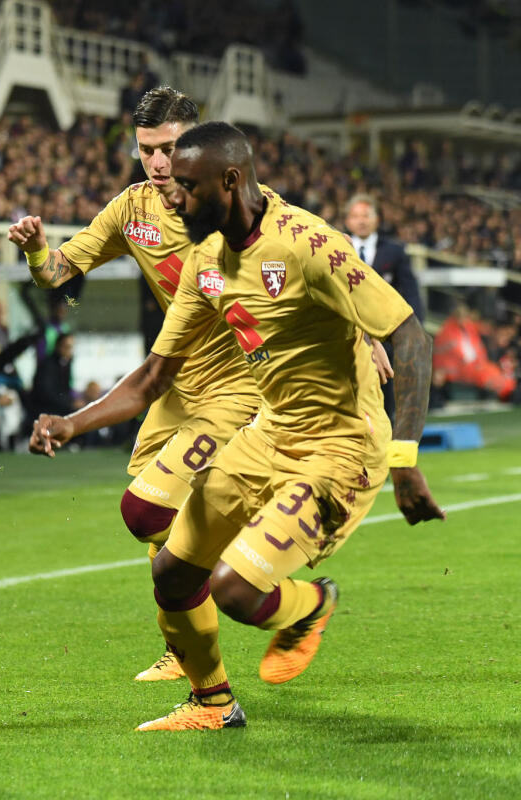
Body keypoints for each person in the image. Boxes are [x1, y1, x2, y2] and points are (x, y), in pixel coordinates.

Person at [29, 122, 444, 731]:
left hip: (339, 447)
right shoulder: (206, 262)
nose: (174, 198)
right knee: (172, 570)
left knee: (236, 590)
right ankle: (212, 703)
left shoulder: (306, 243)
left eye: (188, 188)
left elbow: (410, 338)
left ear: (230, 181)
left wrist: (406, 461)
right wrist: (73, 422)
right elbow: (153, 376)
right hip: (267, 434)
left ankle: (312, 604)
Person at [8, 87, 263, 682]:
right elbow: (58, 271)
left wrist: (362, 335)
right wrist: (37, 250)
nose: (157, 163)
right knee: (155, 517)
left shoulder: (236, 207)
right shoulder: (131, 210)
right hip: (174, 383)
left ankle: (251, 565)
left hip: (236, 387)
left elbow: (307, 267)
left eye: (170, 148)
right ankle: (187, 644)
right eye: (147, 150)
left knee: (147, 509)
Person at [344, 193, 425, 421]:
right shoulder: (336, 247)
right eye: (356, 216)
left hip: (386, 339)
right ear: (348, 220)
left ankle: (386, 449)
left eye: (366, 215)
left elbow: (410, 294)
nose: (361, 221)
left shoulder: (395, 251)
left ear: (377, 219)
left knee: (386, 400)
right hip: (347, 338)